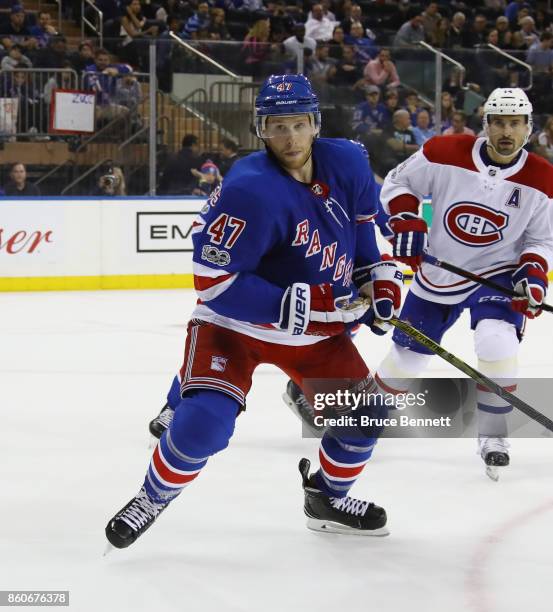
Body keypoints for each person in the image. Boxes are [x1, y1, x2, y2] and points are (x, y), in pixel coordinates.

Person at [105, 74, 404, 549]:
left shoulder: (347, 159)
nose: (289, 137)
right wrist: (307, 306)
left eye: (299, 125)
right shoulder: (248, 188)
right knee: (204, 423)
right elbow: (214, 283)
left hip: (313, 334)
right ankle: (152, 496)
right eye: (277, 126)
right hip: (235, 326)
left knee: (365, 417)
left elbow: (364, 232)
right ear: (261, 129)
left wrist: (376, 277)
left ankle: (325, 498)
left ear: (315, 123)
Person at [376, 88, 553, 479]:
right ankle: (368, 413)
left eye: (515, 124)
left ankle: (493, 434)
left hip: (497, 273)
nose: (507, 131)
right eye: (499, 123)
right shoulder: (444, 152)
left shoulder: (543, 177)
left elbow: (541, 240)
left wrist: (533, 275)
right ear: (485, 124)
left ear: (529, 128)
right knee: (408, 357)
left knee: (497, 339)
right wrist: (406, 219)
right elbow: (395, 184)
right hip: (441, 270)